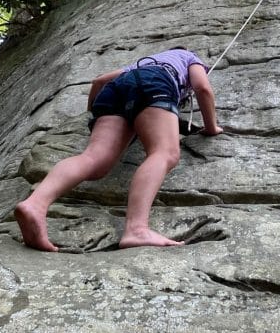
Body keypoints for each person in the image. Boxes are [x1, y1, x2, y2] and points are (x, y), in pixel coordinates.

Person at [15, 47, 222, 251]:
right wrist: (211, 127)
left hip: (114, 90)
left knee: (94, 159)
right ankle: (137, 229)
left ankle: (36, 203)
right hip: (156, 84)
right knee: (164, 152)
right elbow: (202, 87)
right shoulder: (188, 56)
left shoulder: (142, 62)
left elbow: (100, 81)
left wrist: (92, 115)